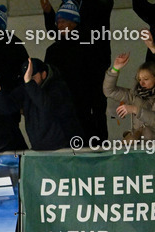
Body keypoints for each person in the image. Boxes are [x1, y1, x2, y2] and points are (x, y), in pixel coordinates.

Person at [42, 1, 109, 143]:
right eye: (57, 22)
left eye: (63, 22)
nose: (59, 26)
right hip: (63, 108)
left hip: (87, 106)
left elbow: (97, 79)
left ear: (74, 23)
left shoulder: (89, 46)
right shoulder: (53, 50)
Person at [0, 58, 81, 151]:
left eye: (32, 76)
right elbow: (6, 108)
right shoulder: (26, 88)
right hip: (39, 148)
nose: (28, 79)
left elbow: (46, 105)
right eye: (26, 77)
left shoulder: (58, 87)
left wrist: (29, 83)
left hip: (64, 147)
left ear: (43, 74)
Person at [103, 53, 155, 141]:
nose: (141, 83)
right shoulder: (134, 95)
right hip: (137, 145)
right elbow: (109, 91)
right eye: (139, 79)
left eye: (146, 79)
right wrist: (115, 69)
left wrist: (136, 110)